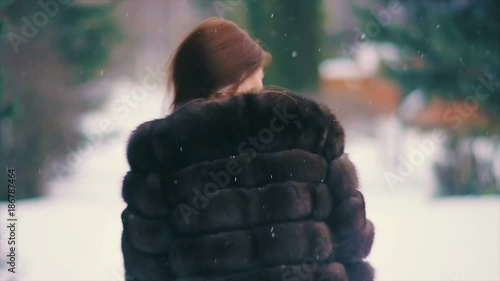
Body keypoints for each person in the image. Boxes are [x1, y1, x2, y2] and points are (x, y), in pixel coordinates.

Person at [121, 17, 375, 281]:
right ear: (246, 74)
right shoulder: (311, 129)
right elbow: (355, 242)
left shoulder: (162, 152)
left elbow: (146, 268)